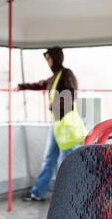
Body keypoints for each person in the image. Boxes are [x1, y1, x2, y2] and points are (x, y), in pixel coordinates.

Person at [17, 47, 79, 201]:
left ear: (55, 58)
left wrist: (57, 104)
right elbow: (40, 84)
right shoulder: (54, 77)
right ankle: (38, 192)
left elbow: (73, 94)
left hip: (66, 125)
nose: (47, 62)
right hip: (57, 125)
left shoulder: (66, 74)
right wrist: (22, 86)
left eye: (49, 58)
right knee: (50, 158)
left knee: (68, 161)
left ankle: (72, 194)